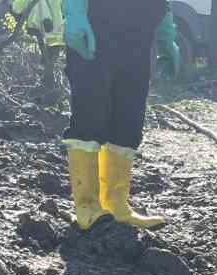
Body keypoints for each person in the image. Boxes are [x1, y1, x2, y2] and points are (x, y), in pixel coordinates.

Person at [60, 0, 181, 230]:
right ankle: (87, 205)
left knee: (129, 119)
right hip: (95, 26)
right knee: (90, 112)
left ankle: (116, 204)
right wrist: (74, 12)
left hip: (140, 35)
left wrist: (167, 33)